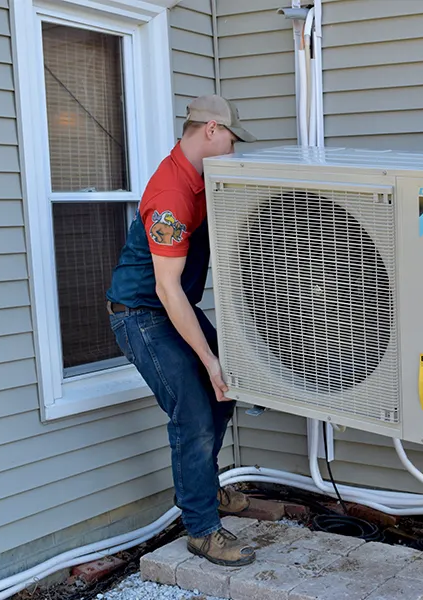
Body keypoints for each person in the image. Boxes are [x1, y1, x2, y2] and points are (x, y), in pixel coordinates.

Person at [106, 95, 259, 567]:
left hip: (172, 310)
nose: (233, 148)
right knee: (192, 413)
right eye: (231, 138)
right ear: (212, 129)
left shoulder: (202, 179)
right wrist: (209, 360)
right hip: (142, 315)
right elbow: (167, 289)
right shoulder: (172, 194)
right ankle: (202, 530)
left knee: (224, 391)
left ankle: (204, 489)